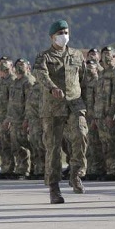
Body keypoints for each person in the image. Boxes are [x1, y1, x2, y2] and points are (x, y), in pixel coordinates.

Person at [34, 19, 89, 204]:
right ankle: (54, 187)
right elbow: (41, 75)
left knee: (81, 135)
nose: (63, 36)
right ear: (52, 37)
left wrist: (85, 101)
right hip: (53, 107)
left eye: (66, 32)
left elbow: (84, 78)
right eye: (60, 33)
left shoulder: (77, 55)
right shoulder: (44, 57)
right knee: (54, 148)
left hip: (75, 103)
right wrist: (52, 88)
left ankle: (76, 173)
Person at [95, 47, 115, 182]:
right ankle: (109, 168)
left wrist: (112, 114)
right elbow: (98, 96)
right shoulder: (101, 74)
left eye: (109, 55)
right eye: (104, 55)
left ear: (114, 57)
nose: (106, 58)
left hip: (111, 114)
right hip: (100, 114)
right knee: (105, 143)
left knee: (114, 143)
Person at [6, 58, 35, 179]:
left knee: (26, 145)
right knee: (16, 145)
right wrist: (8, 118)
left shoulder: (28, 81)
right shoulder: (15, 82)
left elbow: (29, 102)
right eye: (17, 65)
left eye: (22, 65)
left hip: (23, 119)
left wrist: (27, 120)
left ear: (28, 67)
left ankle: (28, 169)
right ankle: (20, 168)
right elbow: (11, 102)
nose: (19, 67)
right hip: (14, 119)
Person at [0, 58, 14, 179]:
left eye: (6, 63)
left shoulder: (13, 80)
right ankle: (5, 169)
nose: (3, 66)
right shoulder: (1, 81)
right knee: (0, 145)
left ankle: (10, 169)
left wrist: (9, 118)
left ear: (11, 66)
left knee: (8, 144)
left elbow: (14, 102)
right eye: (1, 63)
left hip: (6, 118)